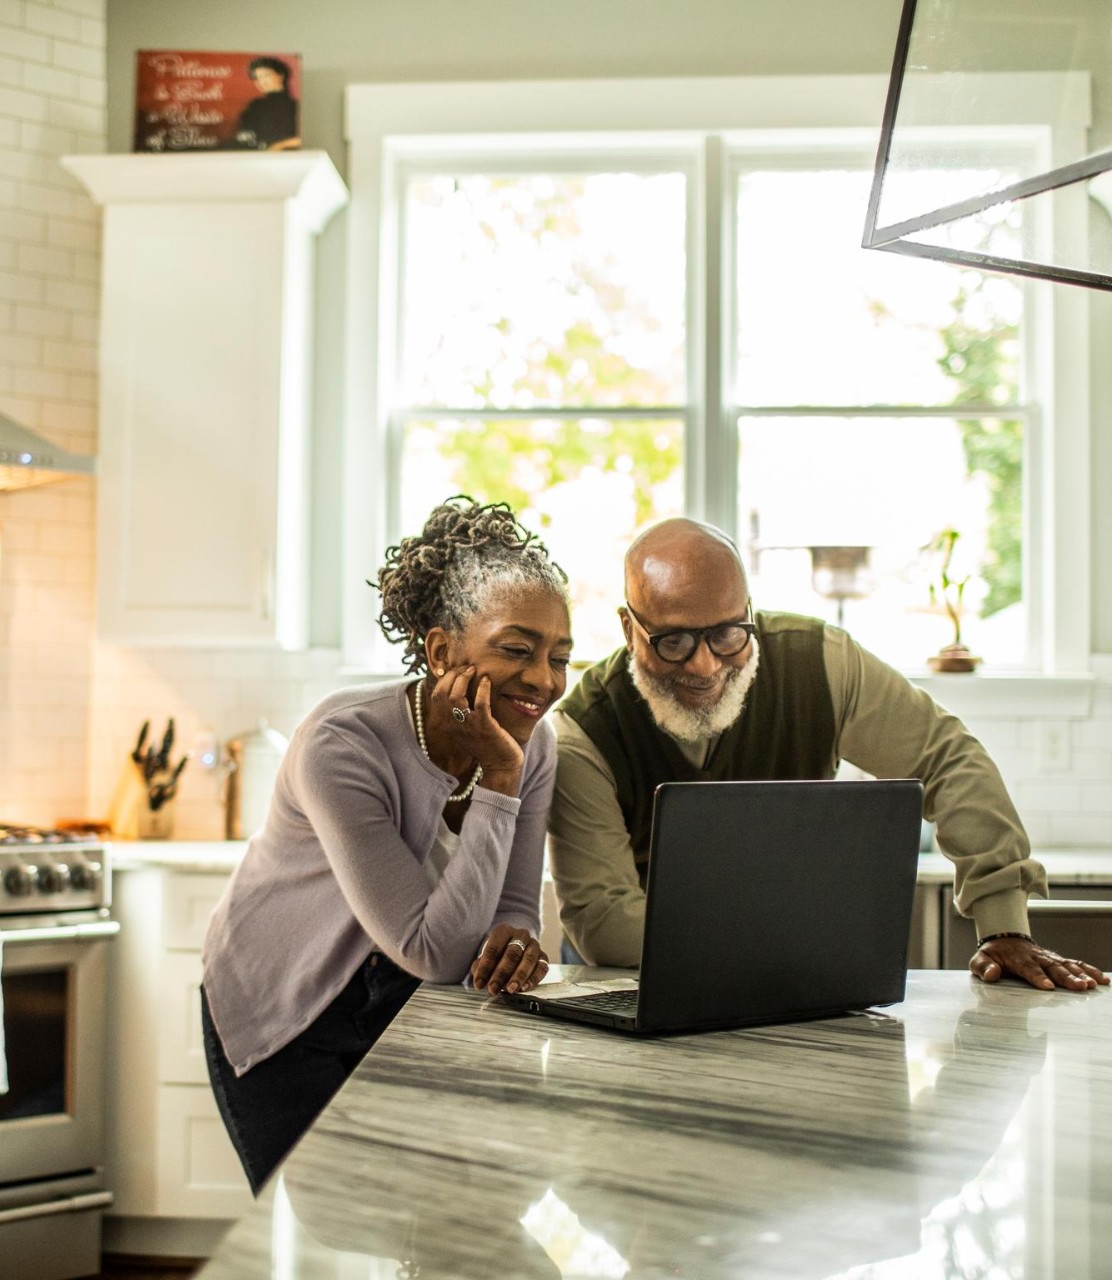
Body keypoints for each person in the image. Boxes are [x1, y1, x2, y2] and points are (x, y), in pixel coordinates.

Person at [549, 516, 1108, 993]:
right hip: (632, 985)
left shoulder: (822, 664)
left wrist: (1003, 924)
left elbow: (946, 758)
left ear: (750, 609)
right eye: (673, 641)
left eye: (728, 634)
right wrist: (805, 935)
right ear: (629, 628)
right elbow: (604, 922)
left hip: (795, 978)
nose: (706, 666)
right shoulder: (582, 733)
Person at [202, 497, 572, 1192]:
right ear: (440, 651)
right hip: (285, 1007)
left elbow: (513, 909)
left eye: (560, 656)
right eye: (518, 650)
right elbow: (433, 951)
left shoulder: (534, 745)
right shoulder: (341, 745)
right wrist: (497, 779)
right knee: (318, 1239)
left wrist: (517, 941)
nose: (545, 681)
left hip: (403, 1007)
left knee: (426, 1221)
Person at [231, 55, 300, 151]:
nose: (261, 82)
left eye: (266, 76)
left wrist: (280, 145)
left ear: (281, 75)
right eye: (257, 78)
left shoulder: (295, 106)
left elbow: (301, 138)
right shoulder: (254, 106)